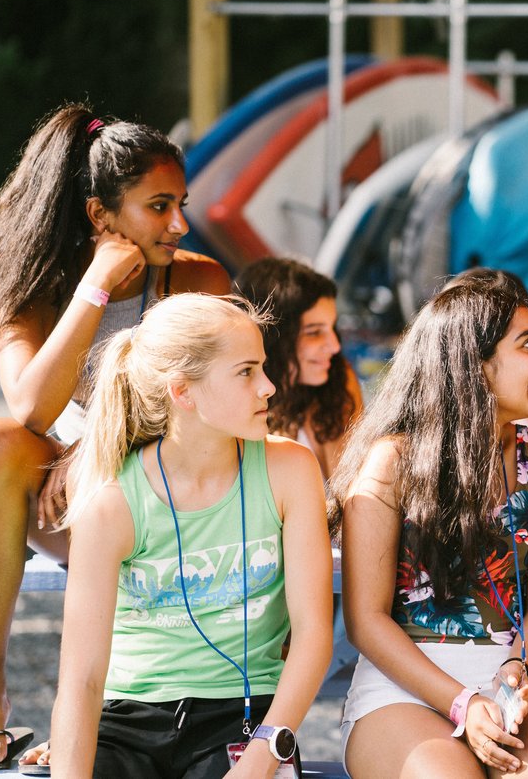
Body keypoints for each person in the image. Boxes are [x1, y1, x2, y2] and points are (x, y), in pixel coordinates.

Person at [0, 104, 230, 774]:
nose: (180, 223)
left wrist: (95, 451)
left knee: (90, 471)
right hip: (75, 500)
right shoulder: (34, 292)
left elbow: (208, 418)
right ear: (101, 216)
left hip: (172, 496)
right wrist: (96, 286)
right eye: (158, 206)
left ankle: (99, 723)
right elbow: (30, 406)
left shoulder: (198, 281)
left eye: (181, 204)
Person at [48, 293, 333, 777]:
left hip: (244, 718)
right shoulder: (114, 496)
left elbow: (313, 637)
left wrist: (264, 754)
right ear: (183, 392)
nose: (268, 387)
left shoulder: (289, 471)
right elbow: (82, 678)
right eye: (246, 372)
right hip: (125, 720)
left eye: (262, 368)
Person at [331, 272, 528, 778]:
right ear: (473, 364)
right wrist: (462, 705)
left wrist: (515, 670)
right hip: (402, 687)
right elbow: (365, 622)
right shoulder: (389, 461)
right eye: (527, 345)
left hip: (512, 679)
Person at [234, 257, 364, 481]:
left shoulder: (335, 379)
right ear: (272, 337)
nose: (334, 346)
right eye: (314, 332)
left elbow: (349, 489)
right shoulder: (234, 406)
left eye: (333, 328)